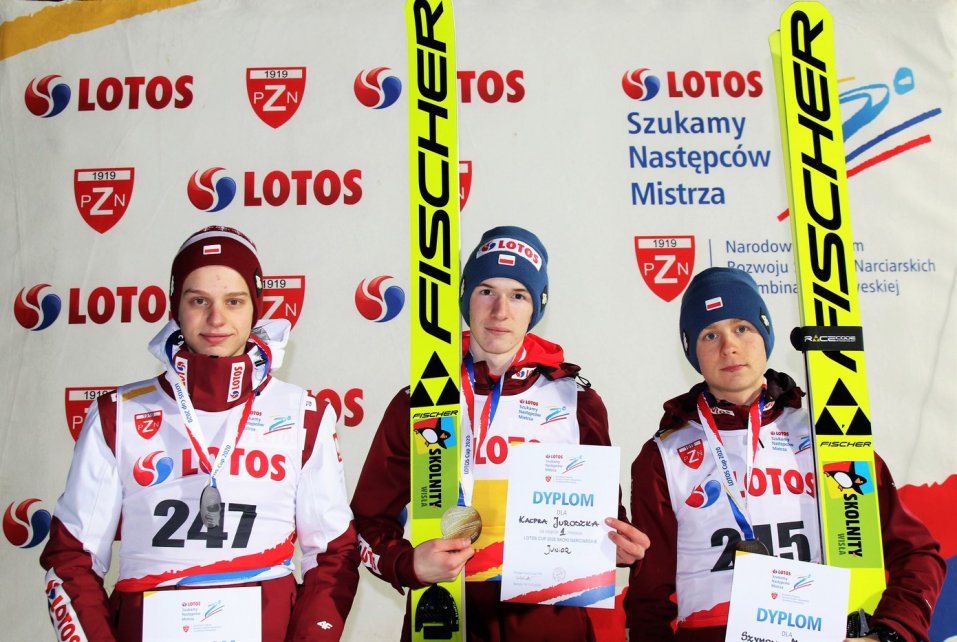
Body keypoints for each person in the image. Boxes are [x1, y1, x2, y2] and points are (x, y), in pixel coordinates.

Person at [40, 226, 359, 641]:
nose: (216, 319)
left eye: (233, 301)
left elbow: (333, 555)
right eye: (198, 301)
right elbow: (72, 561)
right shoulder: (117, 413)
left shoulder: (304, 414)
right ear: (176, 307)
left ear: (254, 308)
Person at [351, 225, 650, 641]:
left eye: (518, 295)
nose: (500, 312)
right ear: (464, 298)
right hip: (445, 619)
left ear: (536, 307)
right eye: (486, 291)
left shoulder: (576, 401)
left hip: (549, 625)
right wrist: (407, 564)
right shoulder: (422, 399)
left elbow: (606, 523)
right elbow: (366, 522)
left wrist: (619, 550)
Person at [624, 267, 945, 642]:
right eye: (710, 334)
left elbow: (917, 553)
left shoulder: (828, 437)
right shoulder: (664, 455)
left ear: (765, 333)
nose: (729, 346)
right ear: (691, 350)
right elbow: (649, 601)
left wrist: (889, 634)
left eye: (742, 328)